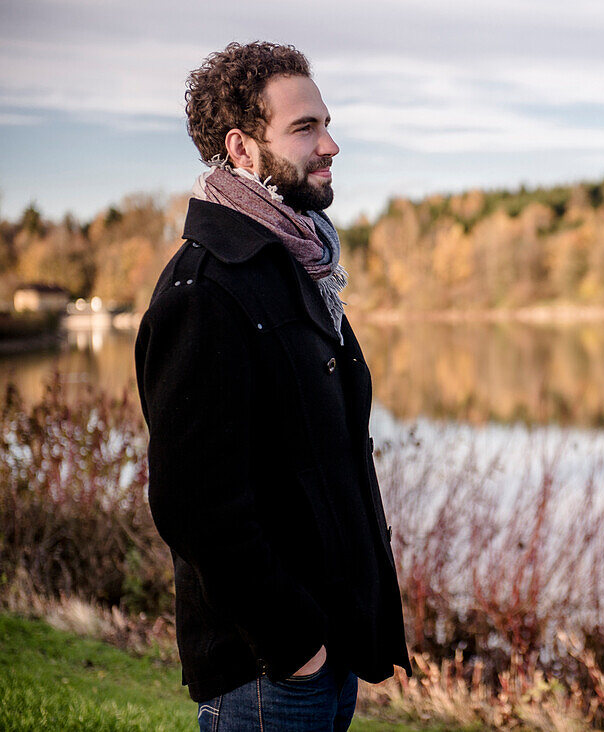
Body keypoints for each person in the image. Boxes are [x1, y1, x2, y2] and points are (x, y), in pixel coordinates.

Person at [135, 41, 410, 731]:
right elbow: (194, 504)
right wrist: (297, 648)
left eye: (325, 123)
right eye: (304, 128)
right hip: (267, 673)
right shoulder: (207, 290)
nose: (331, 144)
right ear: (243, 149)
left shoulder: (296, 267)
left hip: (326, 652)